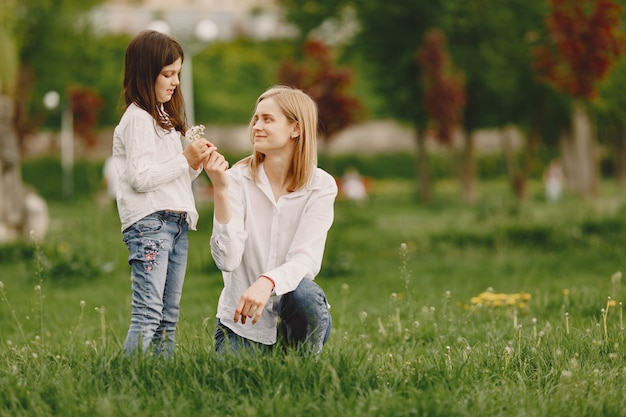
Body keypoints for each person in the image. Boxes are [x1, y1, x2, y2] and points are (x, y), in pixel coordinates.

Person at [203, 85, 337, 355]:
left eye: (267, 119)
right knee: (232, 384)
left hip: (294, 311)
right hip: (243, 323)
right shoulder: (236, 180)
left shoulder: (321, 186)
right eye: (256, 119)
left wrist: (268, 281)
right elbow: (227, 260)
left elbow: (306, 259)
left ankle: (303, 366)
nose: (256, 126)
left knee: (305, 294)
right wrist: (220, 188)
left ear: (295, 129)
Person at [111, 30, 215, 357]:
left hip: (175, 221)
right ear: (145, 73)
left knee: (168, 316)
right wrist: (184, 159)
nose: (175, 82)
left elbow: (175, 176)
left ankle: (158, 379)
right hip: (150, 223)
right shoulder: (138, 120)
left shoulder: (164, 120)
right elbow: (141, 178)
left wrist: (195, 163)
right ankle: (130, 379)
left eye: (178, 74)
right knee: (148, 312)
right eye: (168, 74)